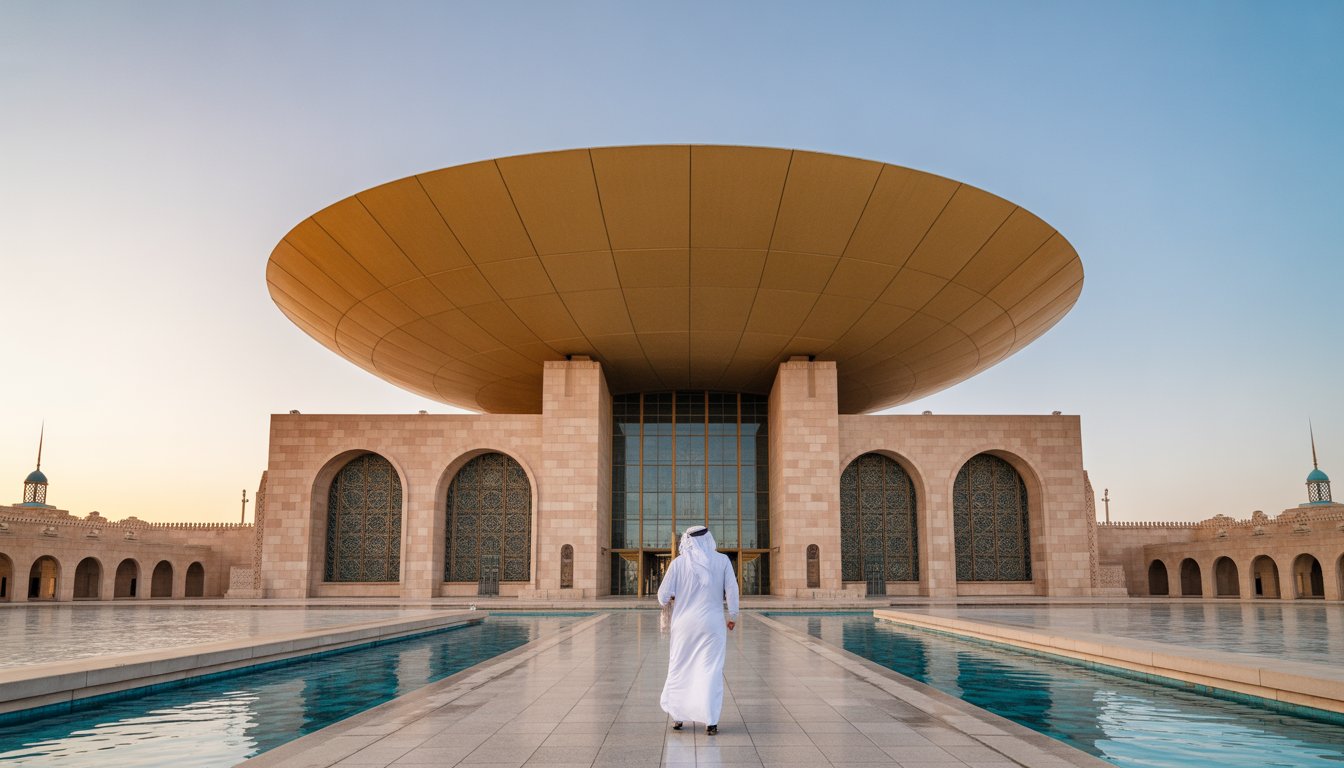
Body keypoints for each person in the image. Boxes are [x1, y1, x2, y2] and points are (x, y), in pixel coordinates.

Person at [657, 525, 739, 735]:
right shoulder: (722, 561)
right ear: (708, 538)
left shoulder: (678, 564)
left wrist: (675, 596)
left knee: (680, 667)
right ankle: (710, 722)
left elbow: (662, 596)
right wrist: (733, 616)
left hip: (684, 626)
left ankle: (678, 717)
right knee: (710, 670)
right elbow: (731, 589)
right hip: (712, 625)